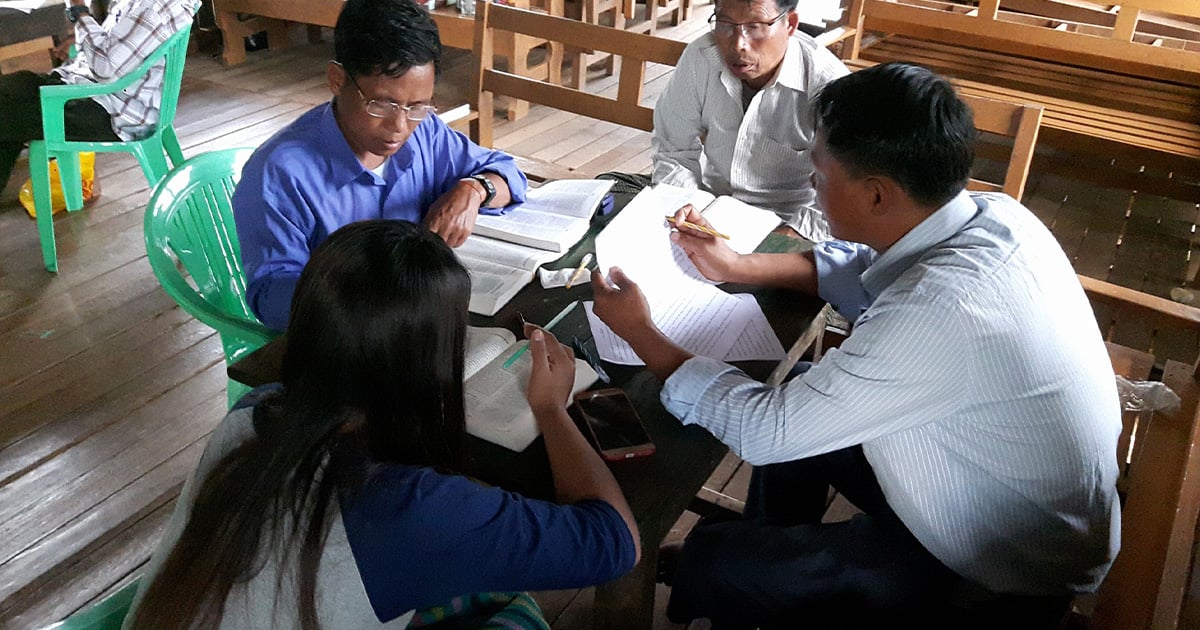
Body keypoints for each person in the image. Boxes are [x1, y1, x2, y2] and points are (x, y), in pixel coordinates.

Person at [591, 63, 1120, 628]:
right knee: (797, 397)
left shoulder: (938, 312)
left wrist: (642, 333)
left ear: (875, 194)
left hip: (1000, 568)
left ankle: (740, 579)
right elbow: (872, 268)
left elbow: (767, 433)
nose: (814, 191)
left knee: (714, 556)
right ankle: (770, 561)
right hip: (1003, 480)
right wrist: (738, 265)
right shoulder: (997, 217)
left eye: (820, 175)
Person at [125, 220, 639, 628]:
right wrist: (551, 408)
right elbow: (617, 542)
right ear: (429, 362)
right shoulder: (409, 508)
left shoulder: (254, 412)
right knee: (517, 612)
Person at [232, 0, 528, 331]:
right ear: (336, 79)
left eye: (417, 106)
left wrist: (474, 189)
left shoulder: (426, 132)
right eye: (382, 104)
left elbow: (508, 174)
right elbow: (272, 299)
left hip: (422, 323)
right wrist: (367, 296)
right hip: (342, 344)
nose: (400, 127)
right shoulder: (278, 176)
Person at [647, 0, 848, 240]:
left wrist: (785, 238)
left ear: (790, 24)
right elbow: (673, 151)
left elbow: (845, 188)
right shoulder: (701, 58)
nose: (738, 44)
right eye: (725, 23)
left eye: (755, 26)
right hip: (710, 208)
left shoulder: (828, 84)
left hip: (788, 222)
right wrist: (689, 216)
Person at [0, 0, 198, 195]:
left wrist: (79, 11)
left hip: (112, 111)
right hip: (97, 91)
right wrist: (87, 39)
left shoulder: (155, 6)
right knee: (15, 93)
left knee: (9, 106)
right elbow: (119, 47)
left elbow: (106, 68)